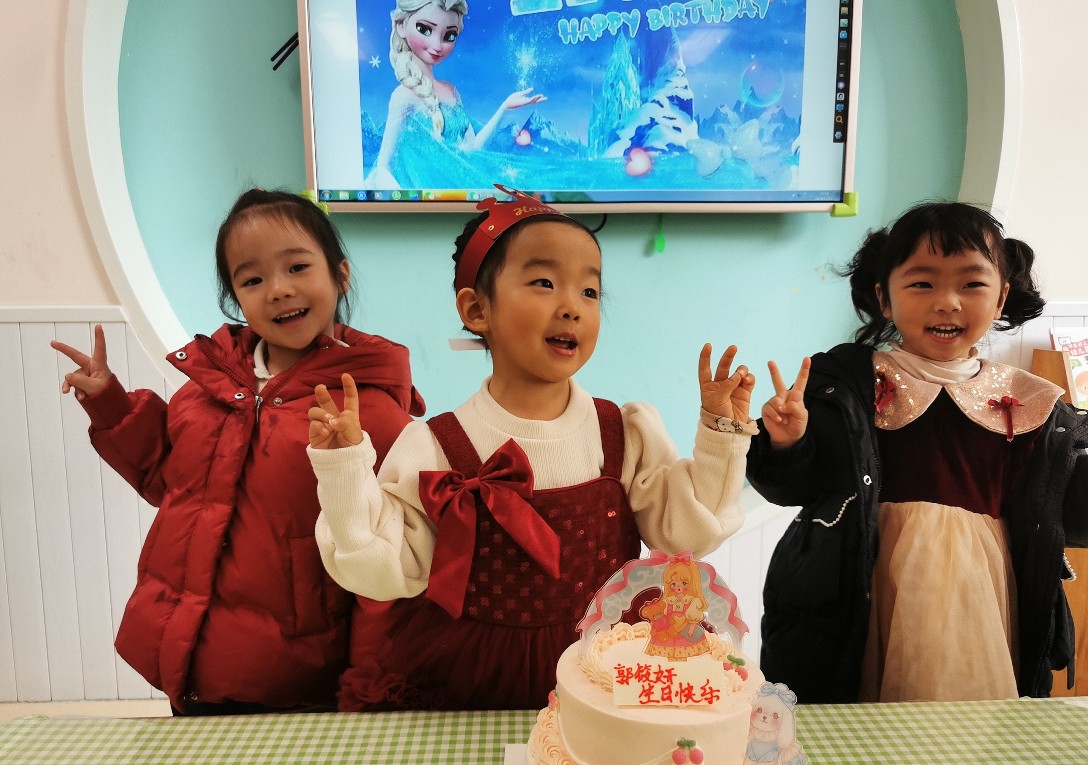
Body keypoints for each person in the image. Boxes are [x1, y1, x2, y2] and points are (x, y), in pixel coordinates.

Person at [306, 184, 757, 710]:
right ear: (477, 309)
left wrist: (720, 434)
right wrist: (343, 468)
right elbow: (383, 569)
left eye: (589, 291)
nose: (571, 307)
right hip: (474, 675)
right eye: (544, 282)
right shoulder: (435, 445)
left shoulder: (623, 431)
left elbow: (688, 533)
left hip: (604, 665)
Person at [51, 189, 424, 715]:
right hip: (192, 654)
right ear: (236, 300)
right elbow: (169, 482)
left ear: (340, 274)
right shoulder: (208, 389)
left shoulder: (369, 411)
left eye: (297, 267)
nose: (278, 289)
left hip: (300, 677)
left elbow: (389, 560)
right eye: (252, 280)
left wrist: (369, 684)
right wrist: (111, 404)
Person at [746, 201, 1088, 704]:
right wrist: (787, 441)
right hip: (861, 586)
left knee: (965, 725)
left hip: (981, 594)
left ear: (1001, 298)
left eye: (971, 283)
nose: (947, 302)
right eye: (922, 283)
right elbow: (793, 487)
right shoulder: (846, 387)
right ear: (884, 298)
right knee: (863, 717)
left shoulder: (1030, 400)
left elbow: (1066, 511)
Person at [365, 0, 546, 189]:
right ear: (401, 26)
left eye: (449, 36)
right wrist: (405, 200)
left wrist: (504, 108)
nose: (437, 45)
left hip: (459, 192)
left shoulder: (451, 91)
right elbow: (384, 167)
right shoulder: (403, 96)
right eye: (424, 29)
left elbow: (472, 149)